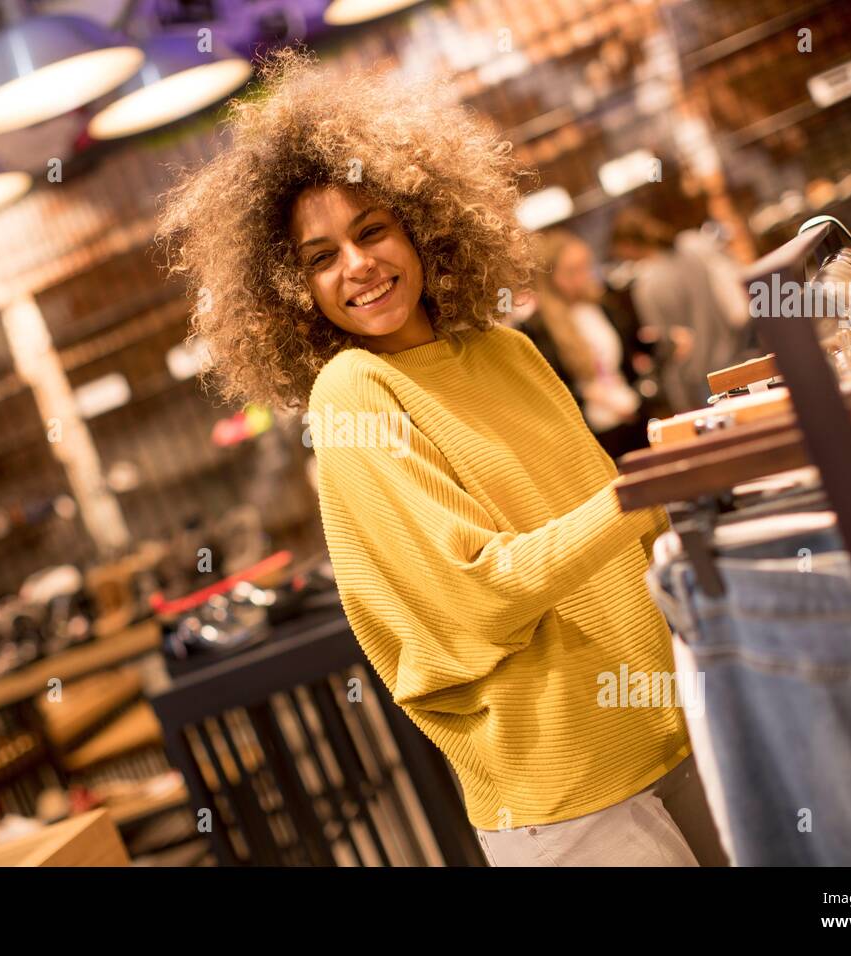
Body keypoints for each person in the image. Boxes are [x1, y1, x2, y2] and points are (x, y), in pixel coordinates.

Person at [156, 48, 726, 866]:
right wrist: (650, 487)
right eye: (321, 259)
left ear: (422, 224)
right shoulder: (353, 392)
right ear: (294, 291)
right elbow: (475, 596)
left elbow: (616, 524)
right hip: (564, 794)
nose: (356, 267)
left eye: (372, 229)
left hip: (672, 724)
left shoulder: (507, 350)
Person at [611, 205, 753, 412]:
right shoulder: (690, 251)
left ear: (627, 245)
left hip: (696, 378)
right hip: (732, 355)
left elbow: (666, 342)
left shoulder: (648, 283)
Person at [534, 229, 649, 458]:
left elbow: (628, 353)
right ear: (551, 278)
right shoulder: (540, 326)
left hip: (632, 411)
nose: (582, 277)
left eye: (584, 267)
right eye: (571, 272)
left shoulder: (601, 305)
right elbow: (552, 385)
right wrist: (592, 395)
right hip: (593, 431)